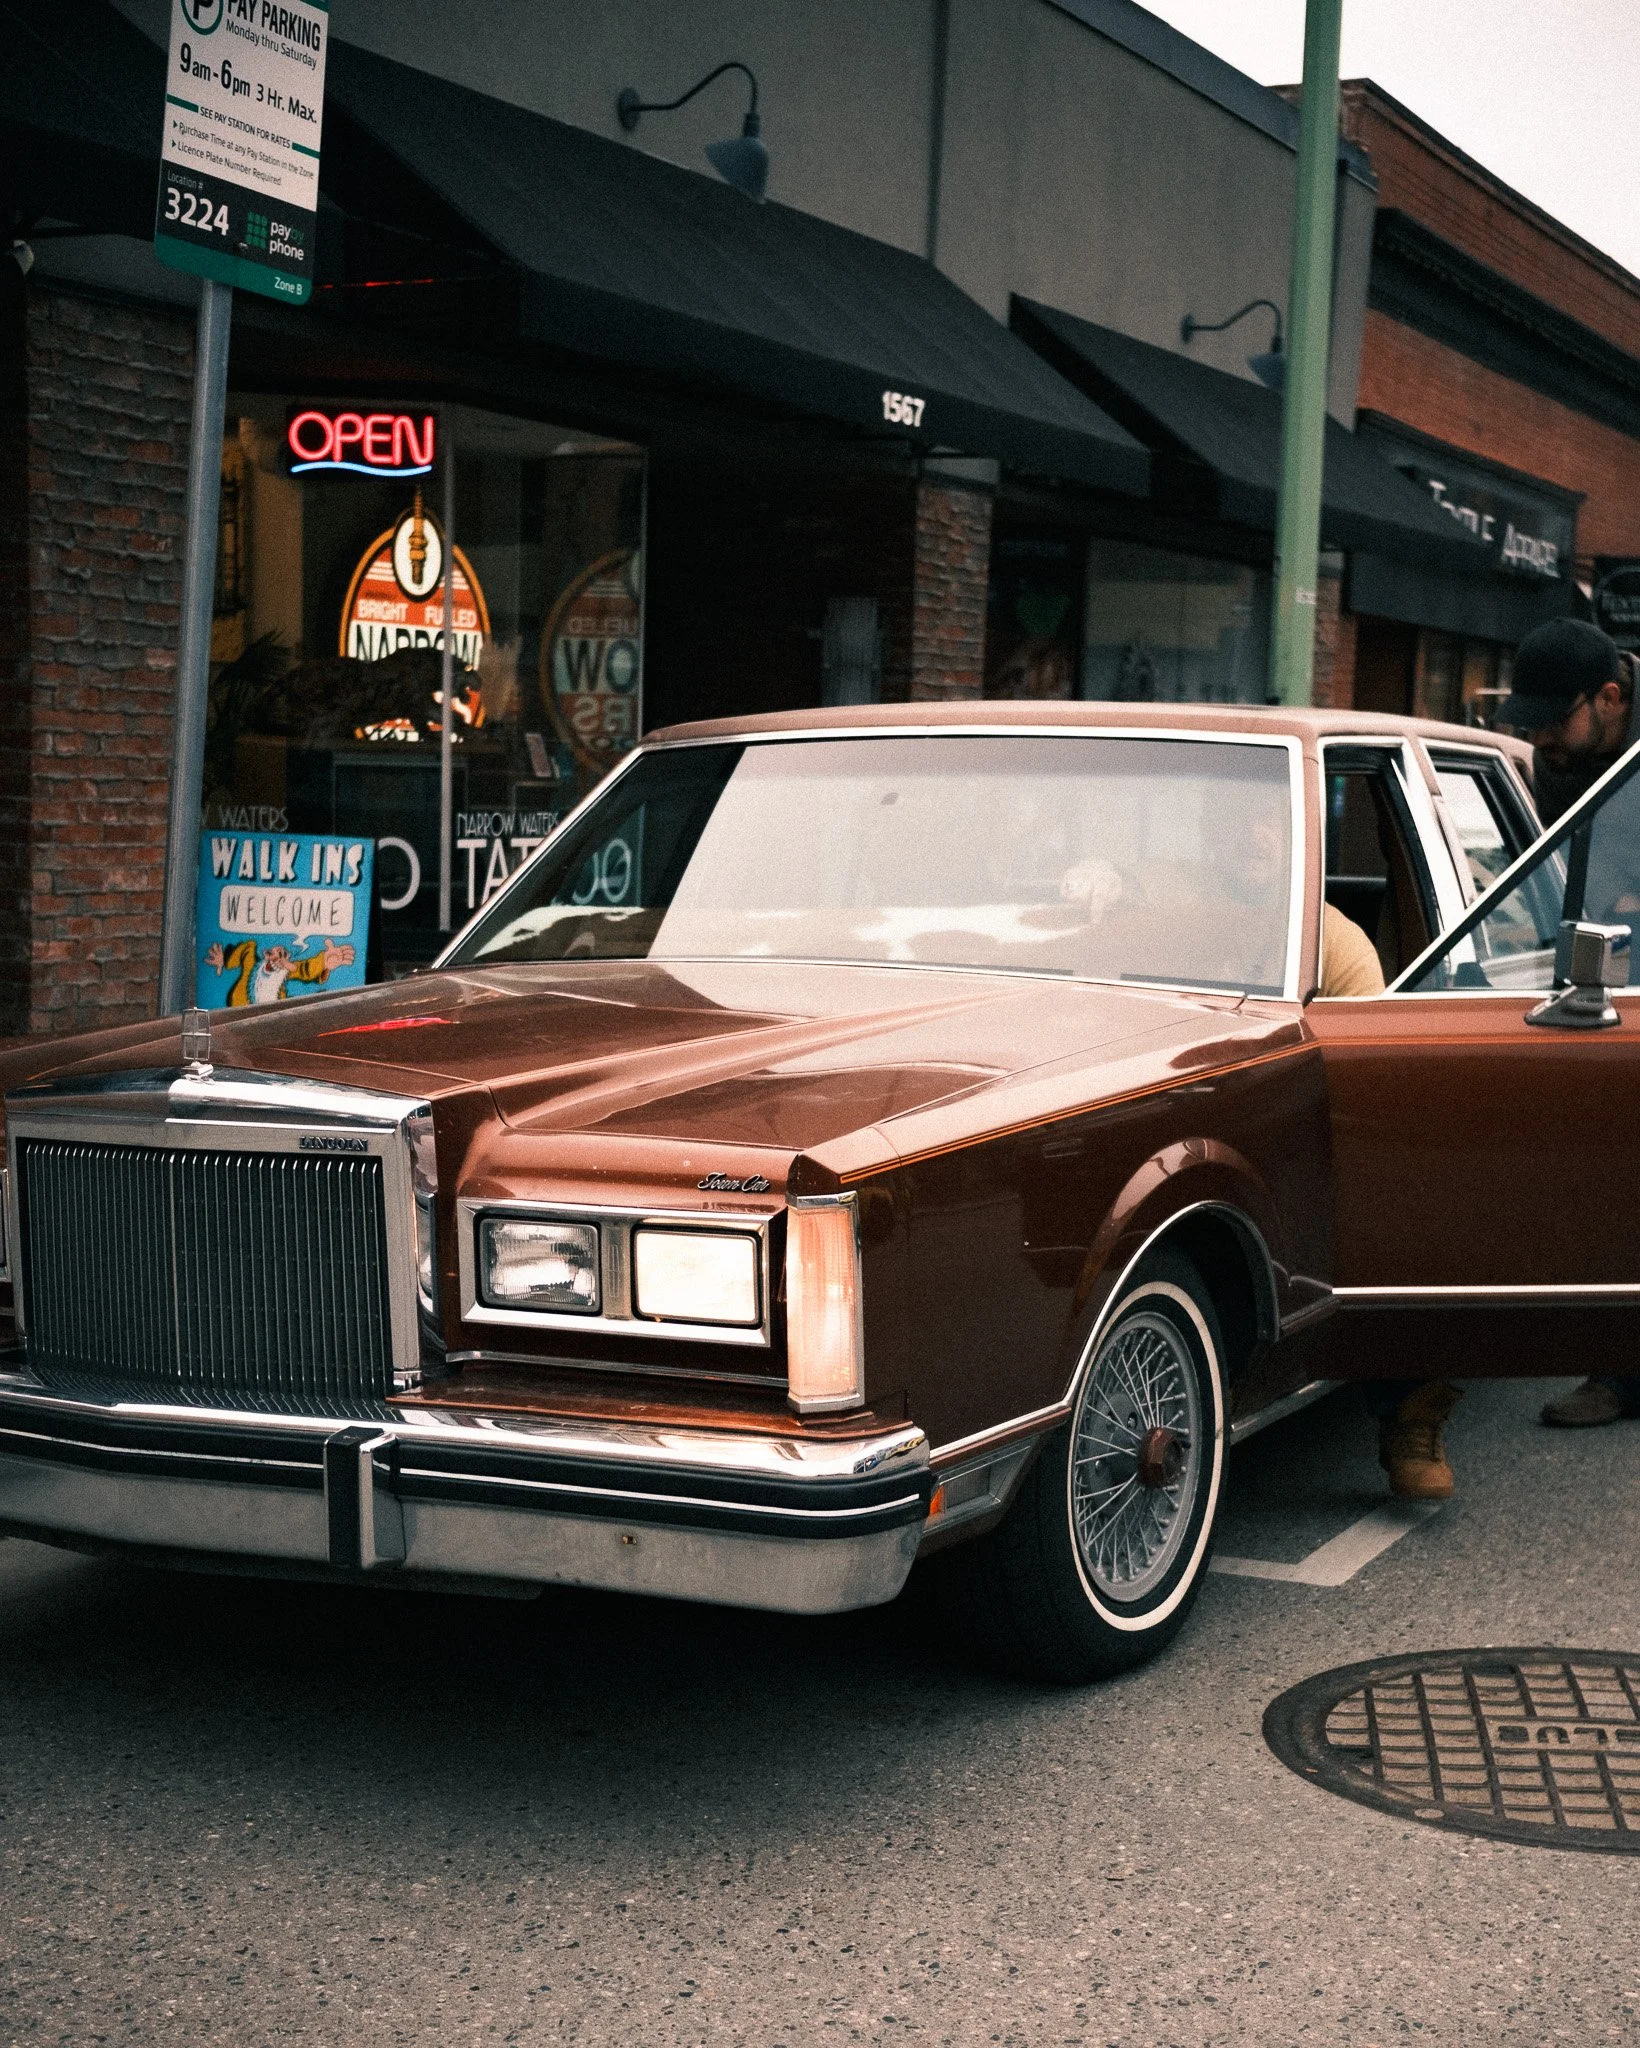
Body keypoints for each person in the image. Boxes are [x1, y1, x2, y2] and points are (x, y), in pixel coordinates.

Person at [1498, 618, 1640, 1429]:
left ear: (1611, 698)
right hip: (1607, 960)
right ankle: (1618, 1369)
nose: (1542, 736)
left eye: (1556, 717)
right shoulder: (1561, 759)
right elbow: (1573, 872)